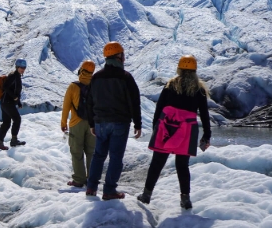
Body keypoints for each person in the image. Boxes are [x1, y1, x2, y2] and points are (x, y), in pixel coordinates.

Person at [137, 55, 211, 209]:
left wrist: (156, 127)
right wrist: (207, 135)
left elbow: (159, 108)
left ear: (180, 68)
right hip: (188, 130)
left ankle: (146, 194)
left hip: (167, 127)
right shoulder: (199, 90)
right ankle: (185, 199)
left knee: (157, 162)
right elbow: (204, 114)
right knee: (182, 165)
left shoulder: (170, 85)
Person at [85, 42, 142, 200]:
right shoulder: (125, 77)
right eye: (122, 55)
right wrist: (138, 124)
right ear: (119, 57)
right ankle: (109, 190)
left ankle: (91, 187)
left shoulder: (96, 77)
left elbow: (89, 102)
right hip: (119, 122)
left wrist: (92, 123)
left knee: (98, 155)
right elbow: (134, 102)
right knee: (115, 157)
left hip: (100, 123)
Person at [61, 60, 97, 187]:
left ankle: (79, 179)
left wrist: (63, 122)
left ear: (81, 70)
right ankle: (92, 179)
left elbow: (66, 106)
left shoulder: (73, 86)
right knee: (91, 152)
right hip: (93, 124)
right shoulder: (95, 85)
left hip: (76, 123)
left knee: (77, 152)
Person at [0, 59, 27, 150]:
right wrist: (14, 97)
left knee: (6, 123)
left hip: (6, 102)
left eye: (24, 67)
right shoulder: (13, 76)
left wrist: (18, 102)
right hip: (7, 102)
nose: (23, 69)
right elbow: (5, 87)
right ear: (17, 67)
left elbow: (15, 90)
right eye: (21, 67)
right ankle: (14, 140)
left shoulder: (17, 76)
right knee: (17, 119)